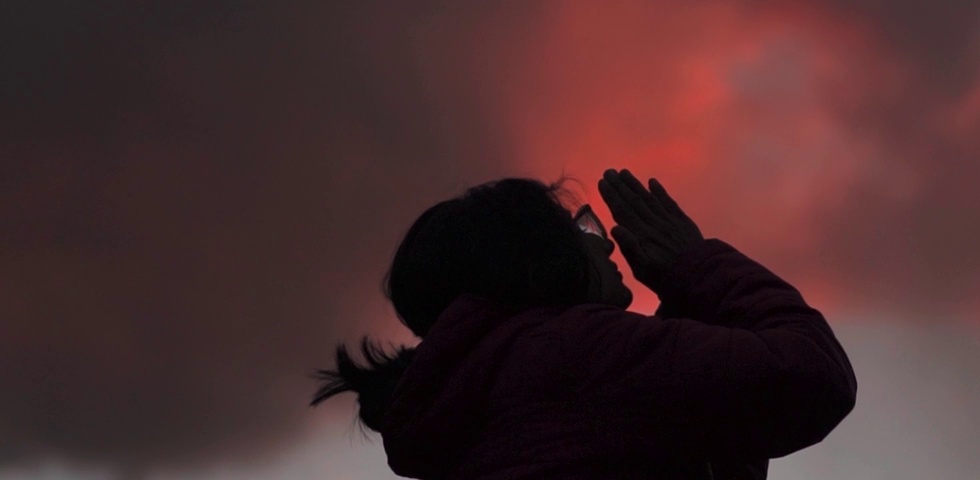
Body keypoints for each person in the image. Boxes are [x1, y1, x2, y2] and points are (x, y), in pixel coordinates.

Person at [310, 168, 856, 479]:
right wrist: (696, 265)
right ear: (544, 260)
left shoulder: (467, 395)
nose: (607, 244)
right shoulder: (573, 351)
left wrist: (691, 304)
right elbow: (813, 376)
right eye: (584, 230)